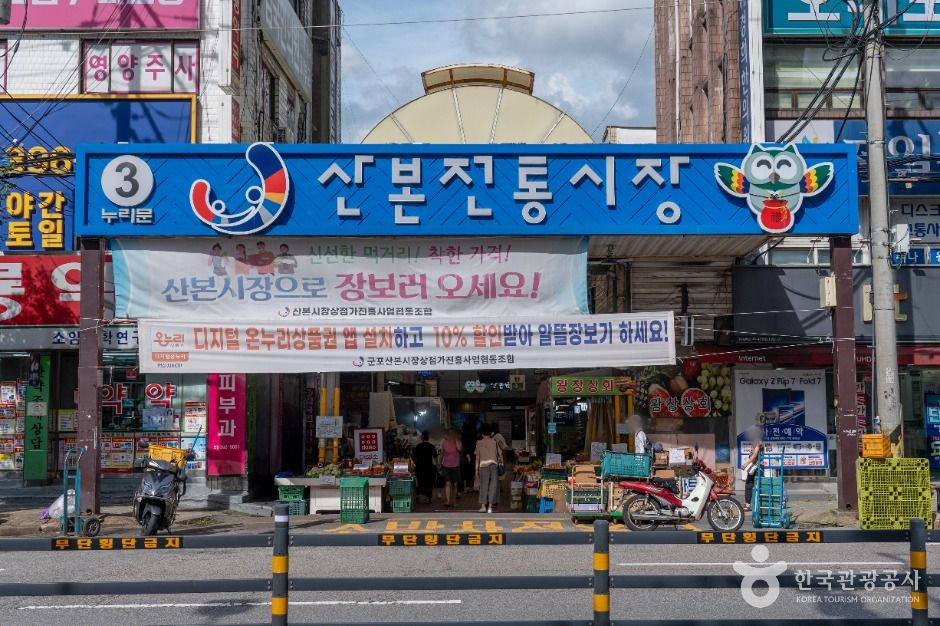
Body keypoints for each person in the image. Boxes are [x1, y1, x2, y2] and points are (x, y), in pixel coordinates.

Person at [475, 424, 502, 514]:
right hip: (493, 465)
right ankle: (490, 507)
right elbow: (500, 455)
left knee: (483, 486)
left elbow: (477, 457)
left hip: (483, 466)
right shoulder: (494, 442)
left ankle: (483, 506)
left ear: (482, 433)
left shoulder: (479, 443)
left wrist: (476, 471)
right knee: (493, 486)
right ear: (491, 433)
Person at [411, 430, 437, 504]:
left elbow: (413, 457)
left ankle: (418, 496)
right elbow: (435, 456)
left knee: (420, 481)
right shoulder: (431, 446)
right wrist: (437, 465)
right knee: (429, 482)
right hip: (429, 467)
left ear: (422, 437)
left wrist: (414, 465)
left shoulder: (418, 446)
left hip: (419, 467)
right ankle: (428, 498)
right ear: (428, 438)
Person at [439, 429, 462, 508]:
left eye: (453, 434)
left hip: (455, 466)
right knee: (448, 483)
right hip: (446, 466)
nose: (451, 436)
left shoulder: (458, 442)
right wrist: (439, 463)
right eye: (450, 434)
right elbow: (442, 454)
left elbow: (459, 449)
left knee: (455, 484)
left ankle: (454, 501)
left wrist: (456, 440)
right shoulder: (444, 443)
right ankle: (448, 501)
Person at [743, 439, 764, 512]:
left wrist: (746, 464)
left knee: (749, 485)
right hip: (759, 469)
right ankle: (757, 504)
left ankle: (748, 505)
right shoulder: (760, 447)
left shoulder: (758, 446)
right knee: (758, 486)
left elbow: (754, 456)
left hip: (755, 469)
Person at [460, 420, 478, 494]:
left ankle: (465, 487)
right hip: (473, 455)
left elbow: (464, 446)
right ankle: (471, 487)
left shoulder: (463, 436)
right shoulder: (473, 436)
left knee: (465, 471)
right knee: (472, 471)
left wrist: (467, 454)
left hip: (465, 456)